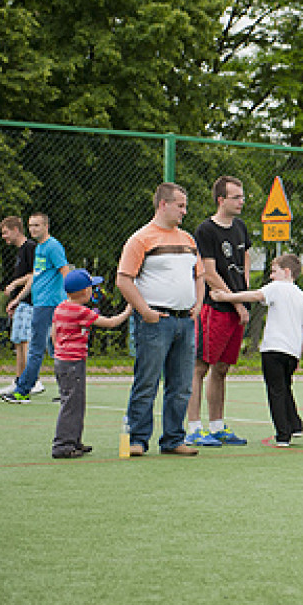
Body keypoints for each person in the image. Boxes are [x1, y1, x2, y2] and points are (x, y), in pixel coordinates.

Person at [117, 183, 205, 456]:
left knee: (181, 385)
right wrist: (144, 311)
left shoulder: (189, 240)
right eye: (180, 205)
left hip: (185, 321)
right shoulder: (141, 239)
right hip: (156, 321)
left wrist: (199, 304)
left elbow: (199, 274)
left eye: (185, 206)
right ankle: (138, 440)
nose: (184, 211)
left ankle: (173, 439)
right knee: (147, 381)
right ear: (162, 204)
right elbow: (123, 279)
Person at [210, 254, 303, 447]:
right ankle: (295, 424)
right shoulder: (302, 296)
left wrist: (227, 297)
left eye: (274, 272)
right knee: (284, 386)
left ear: (286, 272)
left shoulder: (276, 288)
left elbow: (255, 295)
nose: (272, 276)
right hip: (291, 351)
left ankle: (283, 434)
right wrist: (298, 353)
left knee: (275, 390)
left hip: (273, 349)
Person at [185, 176, 251, 448]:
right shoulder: (206, 230)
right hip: (215, 308)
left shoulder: (241, 227)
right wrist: (236, 302)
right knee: (200, 366)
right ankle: (194, 428)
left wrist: (244, 297)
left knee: (222, 368)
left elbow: (245, 260)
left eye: (242, 196)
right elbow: (209, 272)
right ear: (221, 200)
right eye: (236, 197)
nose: (241, 201)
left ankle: (216, 425)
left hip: (237, 308)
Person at [50, 269, 132, 458]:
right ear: (85, 291)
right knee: (72, 403)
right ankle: (63, 445)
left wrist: (60, 350)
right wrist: (128, 309)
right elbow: (111, 323)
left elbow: (54, 334)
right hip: (73, 363)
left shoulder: (61, 307)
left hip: (61, 361)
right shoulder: (80, 311)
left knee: (74, 401)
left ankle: (74, 441)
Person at [1, 213, 70, 403]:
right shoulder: (39, 248)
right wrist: (19, 299)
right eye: (31, 226)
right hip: (39, 304)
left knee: (37, 349)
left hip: (50, 305)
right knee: (53, 350)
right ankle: (67, 392)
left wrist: (70, 300)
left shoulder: (53, 247)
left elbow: (65, 272)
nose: (33, 229)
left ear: (46, 226)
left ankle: (23, 390)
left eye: (37, 225)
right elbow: (35, 278)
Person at [0, 216, 42, 396]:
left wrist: (15, 285)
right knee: (18, 342)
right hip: (21, 303)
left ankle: (33, 380)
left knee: (26, 341)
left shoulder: (30, 248)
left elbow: (34, 274)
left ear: (16, 229)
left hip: (31, 302)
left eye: (5, 232)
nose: (3, 236)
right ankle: (19, 380)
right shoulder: (20, 251)